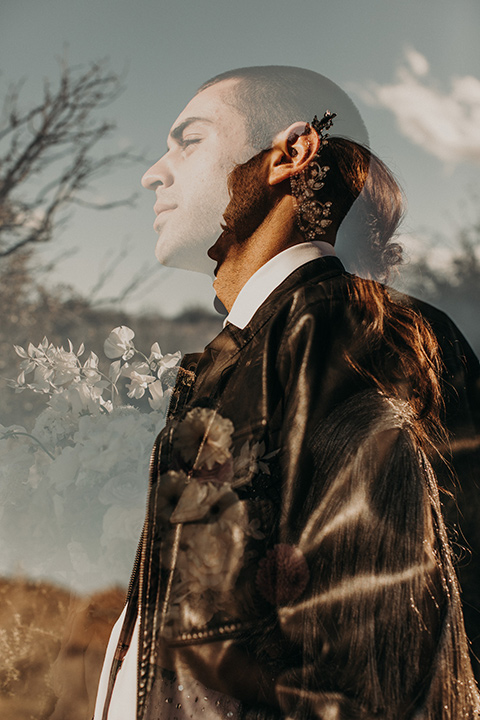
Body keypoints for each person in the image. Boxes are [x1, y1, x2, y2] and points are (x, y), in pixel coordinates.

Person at [94, 66, 480, 720]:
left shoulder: (337, 345)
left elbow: (372, 675)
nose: (153, 173)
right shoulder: (256, 352)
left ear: (293, 152)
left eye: (187, 140)